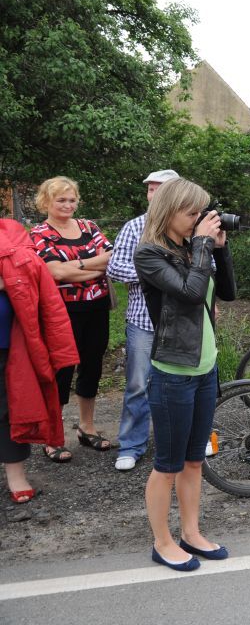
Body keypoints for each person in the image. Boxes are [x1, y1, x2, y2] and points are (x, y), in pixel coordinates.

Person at [134, 177, 236, 571]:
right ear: (169, 211)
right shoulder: (150, 254)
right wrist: (202, 246)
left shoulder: (193, 248)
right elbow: (191, 294)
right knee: (168, 464)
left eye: (202, 213)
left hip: (205, 368)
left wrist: (220, 250)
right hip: (173, 371)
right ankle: (162, 542)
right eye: (192, 213)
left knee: (194, 461)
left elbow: (225, 292)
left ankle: (191, 533)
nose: (200, 219)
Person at [30, 176, 113, 462]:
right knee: (61, 371)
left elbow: (112, 259)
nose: (67, 205)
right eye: (60, 200)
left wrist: (74, 267)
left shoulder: (89, 227)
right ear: (46, 202)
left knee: (92, 365)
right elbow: (54, 273)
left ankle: (86, 428)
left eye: (71, 199)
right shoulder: (40, 233)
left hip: (97, 307)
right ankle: (53, 437)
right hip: (61, 311)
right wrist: (94, 268)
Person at [0, 219, 79, 503]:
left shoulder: (11, 233)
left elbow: (38, 280)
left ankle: (16, 476)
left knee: (12, 409)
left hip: (10, 345)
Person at [105, 169, 175, 471]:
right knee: (137, 384)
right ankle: (132, 446)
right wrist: (158, 275)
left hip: (183, 323)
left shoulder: (189, 226)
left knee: (180, 384)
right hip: (142, 321)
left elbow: (208, 265)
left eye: (160, 189)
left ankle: (179, 444)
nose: (153, 195)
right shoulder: (135, 227)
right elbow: (115, 267)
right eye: (150, 189)